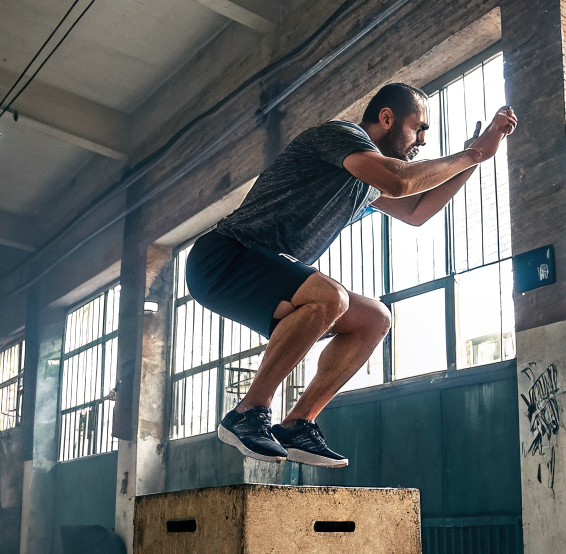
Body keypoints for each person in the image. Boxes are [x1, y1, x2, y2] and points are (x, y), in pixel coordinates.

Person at [185, 81, 518, 466]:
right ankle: (248, 412)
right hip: (224, 254)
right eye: (418, 127)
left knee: (374, 319)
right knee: (331, 297)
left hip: (259, 268)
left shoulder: (367, 185)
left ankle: (297, 424)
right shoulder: (340, 135)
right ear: (387, 118)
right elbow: (399, 179)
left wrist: (476, 159)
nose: (422, 140)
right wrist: (473, 152)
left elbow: (416, 211)